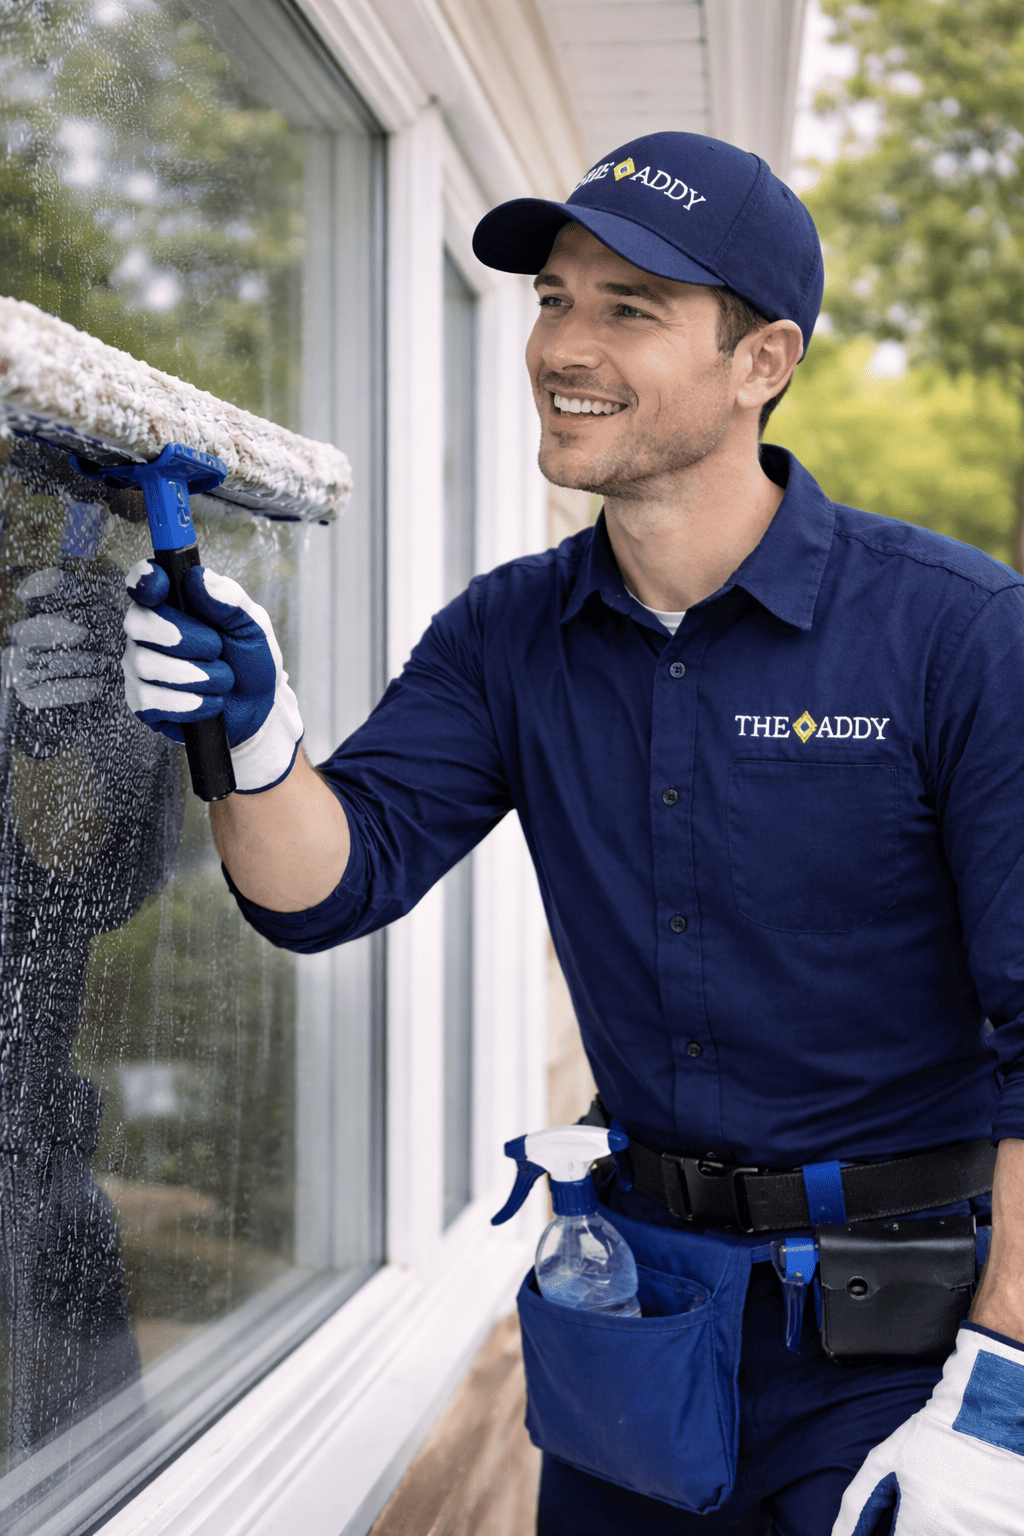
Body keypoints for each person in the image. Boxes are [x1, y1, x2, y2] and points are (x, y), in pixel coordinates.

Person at [119, 132, 1024, 1535]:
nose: (562, 345)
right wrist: (250, 740)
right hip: (636, 1315)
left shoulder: (956, 634)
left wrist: (1005, 1402)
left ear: (763, 362)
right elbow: (322, 886)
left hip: (901, 1345)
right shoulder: (507, 634)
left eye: (629, 309)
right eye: (553, 298)